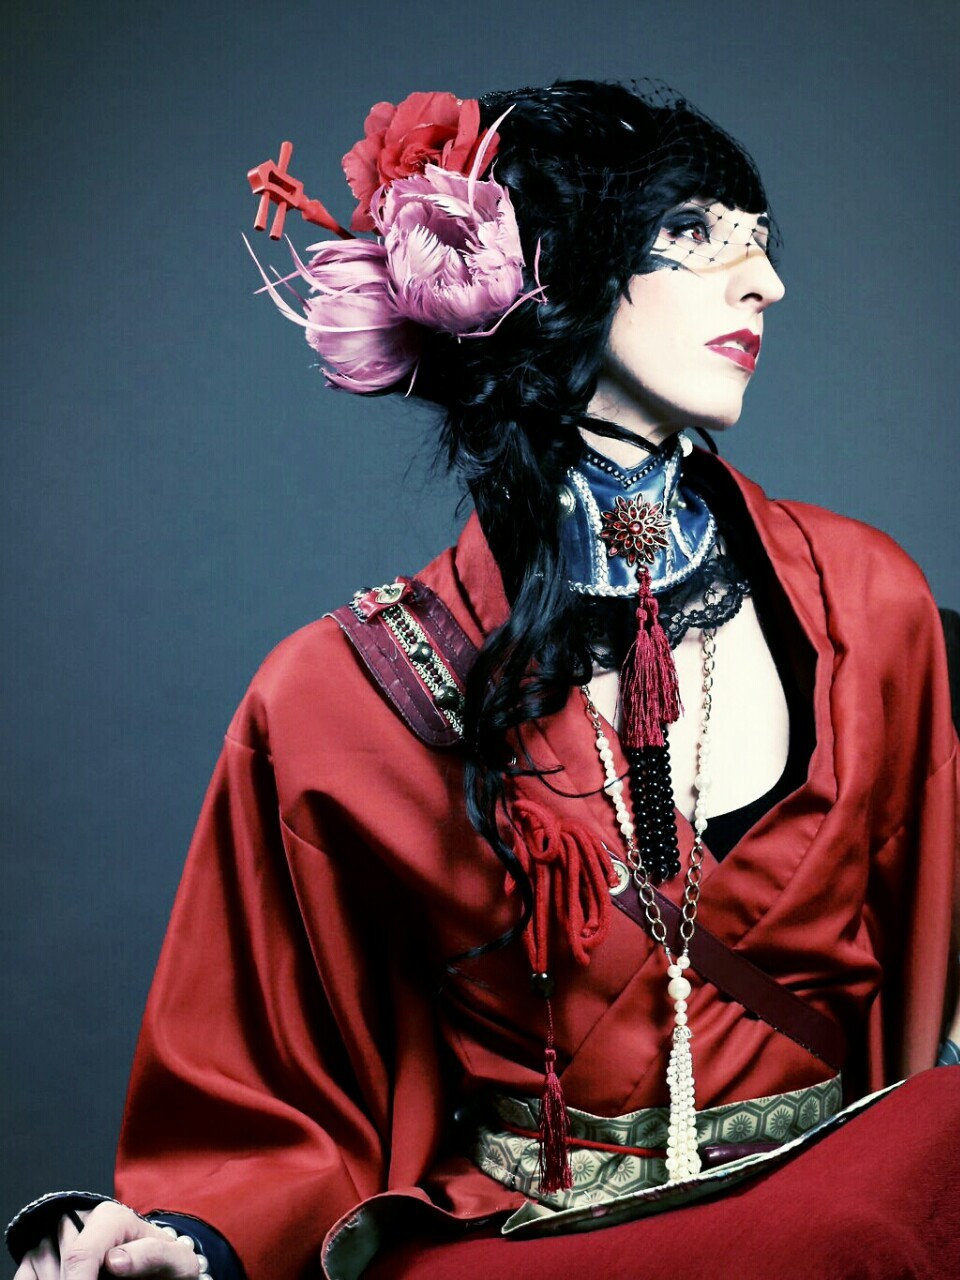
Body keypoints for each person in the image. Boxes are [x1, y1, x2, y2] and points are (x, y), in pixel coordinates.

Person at [8, 79, 960, 1280]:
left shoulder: (866, 606)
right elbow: (270, 1088)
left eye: (761, 243)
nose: (764, 282)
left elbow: (932, 966)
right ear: (548, 268)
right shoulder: (340, 696)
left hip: (838, 1206)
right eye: (698, 235)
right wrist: (192, 1245)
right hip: (542, 1244)